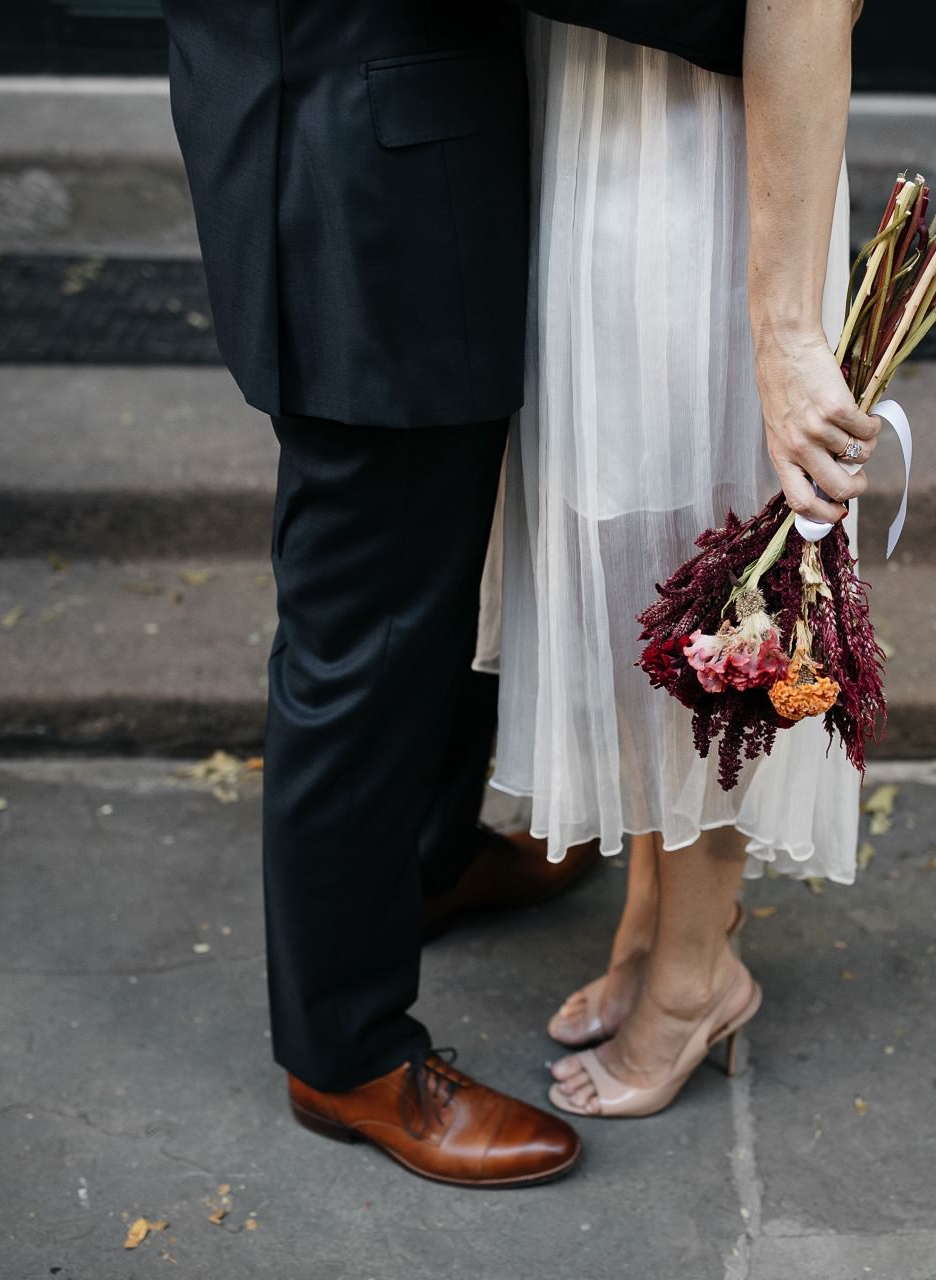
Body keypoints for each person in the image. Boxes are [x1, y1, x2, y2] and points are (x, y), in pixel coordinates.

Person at [158, 0, 598, 1189]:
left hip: (390, 134)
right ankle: (344, 1052)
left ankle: (429, 860)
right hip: (363, 180)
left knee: (442, 566)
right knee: (369, 628)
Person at [486, 0, 877, 1118]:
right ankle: (654, 925)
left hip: (706, 164)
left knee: (705, 585)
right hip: (585, 121)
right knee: (626, 568)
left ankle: (698, 974)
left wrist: (786, 327)